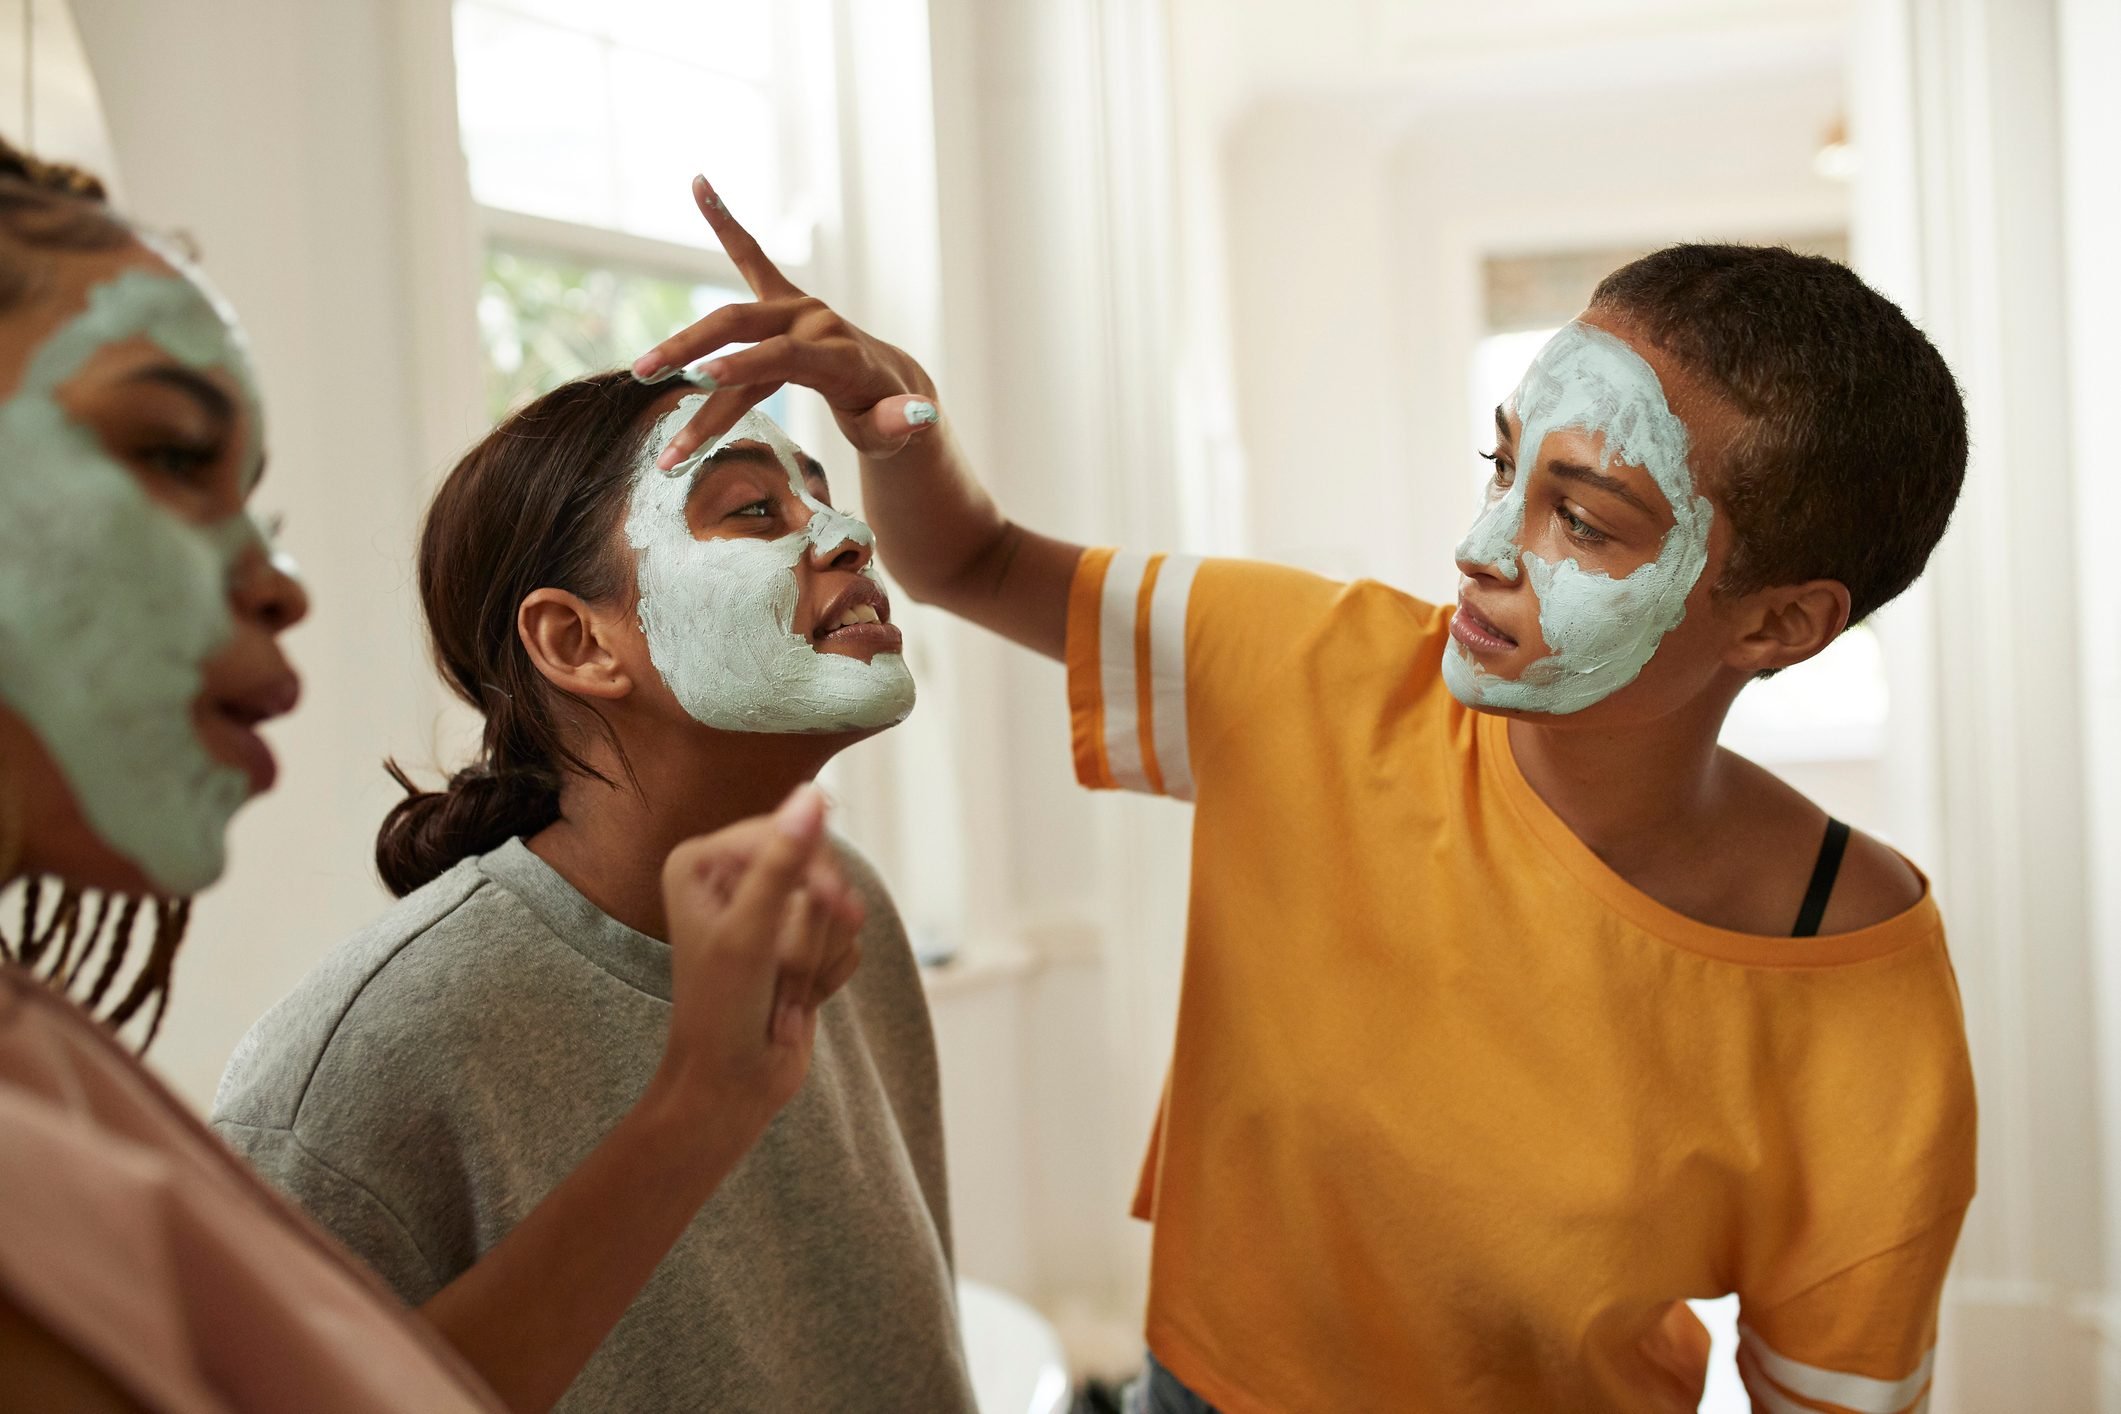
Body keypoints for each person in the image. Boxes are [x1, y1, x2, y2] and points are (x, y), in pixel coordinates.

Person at [635, 177, 1978, 1413]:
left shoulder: (1848, 976)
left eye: (1580, 517)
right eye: (1500, 466)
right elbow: (971, 560)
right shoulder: (1315, 667)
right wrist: (894, 418)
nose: (1474, 548)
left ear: (1781, 624)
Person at [0, 142, 860, 1414]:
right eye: (177, 455)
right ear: (572, 641)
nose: (280, 583)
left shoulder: (43, 1079)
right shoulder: (354, 1060)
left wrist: (705, 1101)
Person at [212, 366, 977, 1410]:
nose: (847, 534)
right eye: (755, 509)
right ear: (578, 643)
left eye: (822, 494)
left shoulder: (839, 905)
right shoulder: (360, 1066)